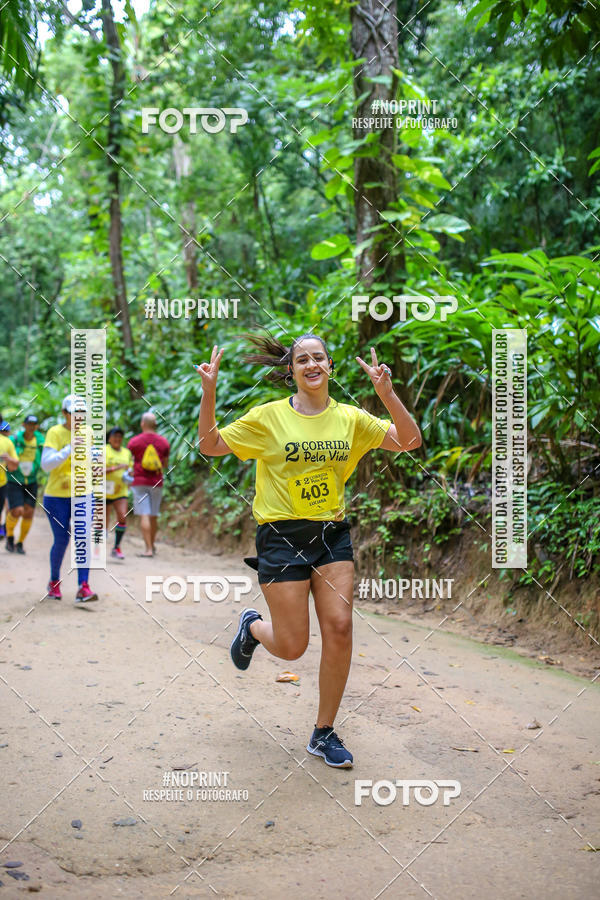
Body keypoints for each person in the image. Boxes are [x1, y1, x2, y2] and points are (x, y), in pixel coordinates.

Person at [196, 335, 422, 768]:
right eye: (302, 359)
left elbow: (409, 440)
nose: (311, 363)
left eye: (319, 356)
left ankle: (324, 732)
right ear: (292, 371)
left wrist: (388, 396)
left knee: (339, 627)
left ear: (330, 366)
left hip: (331, 535)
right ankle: (253, 627)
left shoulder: (352, 419)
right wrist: (210, 395)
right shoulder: (268, 418)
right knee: (292, 646)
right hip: (281, 537)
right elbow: (211, 446)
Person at [41, 394, 99, 603]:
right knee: (62, 539)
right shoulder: (54, 433)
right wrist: (69, 449)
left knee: (82, 537)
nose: (79, 417)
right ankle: (54, 581)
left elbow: (91, 457)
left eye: (82, 413)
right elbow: (46, 464)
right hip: (56, 497)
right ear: (65, 413)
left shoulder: (88, 431)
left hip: (83, 493)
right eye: (74, 413)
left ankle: (83, 586)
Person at [127, 412, 170, 557]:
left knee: (144, 514)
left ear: (142, 424)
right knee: (154, 515)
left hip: (139, 481)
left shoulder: (134, 442)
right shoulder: (164, 442)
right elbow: (164, 464)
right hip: (157, 482)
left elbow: (129, 463)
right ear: (155, 425)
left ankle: (148, 549)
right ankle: (153, 545)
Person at [5, 414, 44, 554]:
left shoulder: (40, 441)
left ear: (36, 426)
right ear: (24, 425)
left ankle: (20, 542)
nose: (31, 427)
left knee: (28, 513)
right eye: (29, 424)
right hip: (14, 480)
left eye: (34, 424)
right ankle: (9, 536)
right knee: (17, 510)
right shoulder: (15, 440)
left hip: (31, 481)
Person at [105, 426, 133, 560]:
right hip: (103, 490)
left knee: (122, 516)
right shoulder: (103, 450)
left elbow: (130, 468)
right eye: (115, 436)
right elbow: (96, 470)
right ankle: (96, 549)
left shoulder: (126, 453)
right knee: (102, 523)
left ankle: (116, 547)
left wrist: (130, 475)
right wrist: (116, 468)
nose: (117, 439)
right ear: (109, 438)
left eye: (119, 437)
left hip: (120, 490)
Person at [0, 422, 19, 537]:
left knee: (7, 505)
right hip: (7, 479)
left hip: (8, 479)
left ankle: (4, 528)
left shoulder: (11, 441)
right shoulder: (8, 441)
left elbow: (14, 465)